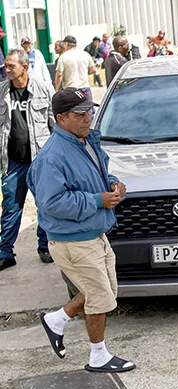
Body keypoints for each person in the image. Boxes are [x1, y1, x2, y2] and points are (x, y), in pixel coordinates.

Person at [30, 88, 135, 373]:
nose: (87, 118)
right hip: (73, 239)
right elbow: (51, 203)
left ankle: (57, 320)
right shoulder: (51, 157)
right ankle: (98, 356)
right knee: (99, 295)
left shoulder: (85, 141)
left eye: (88, 111)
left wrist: (112, 184)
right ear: (60, 119)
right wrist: (97, 200)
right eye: (79, 114)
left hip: (94, 232)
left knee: (104, 291)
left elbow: (97, 176)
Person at [0, 49, 53, 271]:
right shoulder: (2, 91)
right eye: (6, 65)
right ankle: (5, 252)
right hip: (13, 162)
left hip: (40, 160)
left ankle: (45, 246)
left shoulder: (43, 89)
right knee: (11, 207)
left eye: (11, 65)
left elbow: (55, 123)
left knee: (44, 205)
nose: (6, 68)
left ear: (25, 66)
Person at [54, 36, 96, 107]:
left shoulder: (63, 57)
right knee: (88, 112)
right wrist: (84, 73)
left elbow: (59, 75)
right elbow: (93, 69)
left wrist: (57, 90)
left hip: (70, 90)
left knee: (72, 113)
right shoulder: (85, 54)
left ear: (66, 44)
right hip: (85, 88)